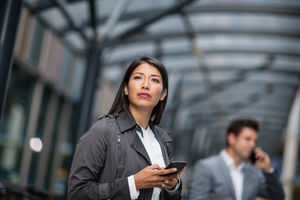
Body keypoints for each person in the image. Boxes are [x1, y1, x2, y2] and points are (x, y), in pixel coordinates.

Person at [68, 56, 184, 200]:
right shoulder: (104, 130)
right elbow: (77, 194)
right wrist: (133, 184)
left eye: (154, 80)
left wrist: (173, 186)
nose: (146, 85)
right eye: (138, 78)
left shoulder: (163, 140)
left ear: (163, 94)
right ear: (125, 88)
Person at [189, 119, 285, 200]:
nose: (253, 144)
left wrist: (268, 170)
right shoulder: (206, 167)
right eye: (248, 139)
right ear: (232, 139)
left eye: (254, 141)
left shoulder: (253, 173)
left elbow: (278, 196)